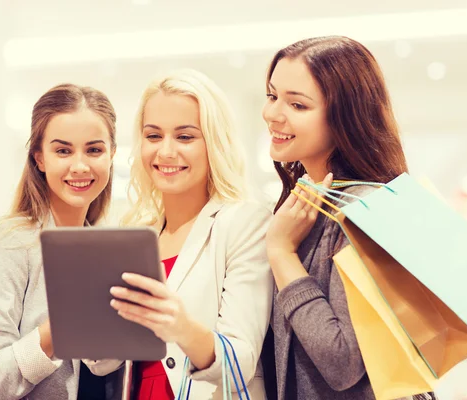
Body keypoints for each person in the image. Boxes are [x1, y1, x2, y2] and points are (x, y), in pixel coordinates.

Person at [261, 35, 435, 400]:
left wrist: (281, 253)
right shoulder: (310, 203)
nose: (273, 114)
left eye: (297, 104)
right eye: (273, 95)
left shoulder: (364, 209)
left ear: (345, 116)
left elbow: (342, 363)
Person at [104, 69, 273, 399]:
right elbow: (104, 364)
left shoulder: (245, 222)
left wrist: (180, 327)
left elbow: (240, 363)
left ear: (214, 143)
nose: (166, 152)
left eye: (184, 137)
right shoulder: (137, 232)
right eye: (153, 136)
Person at [0, 83, 124, 400]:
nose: (80, 165)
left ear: (111, 155)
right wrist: (59, 329)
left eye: (94, 150)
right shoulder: (12, 242)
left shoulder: (108, 246)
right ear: (39, 158)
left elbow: (101, 370)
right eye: (63, 150)